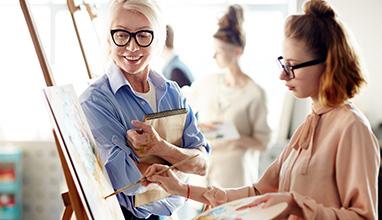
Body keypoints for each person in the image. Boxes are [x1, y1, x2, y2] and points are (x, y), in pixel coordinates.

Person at [143, 0, 380, 219]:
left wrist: (298, 206)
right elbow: (257, 192)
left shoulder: (352, 128)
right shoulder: (309, 125)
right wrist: (181, 188)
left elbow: (363, 216)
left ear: (327, 64)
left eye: (292, 66)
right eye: (282, 63)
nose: (282, 74)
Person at [79, 0, 210, 219]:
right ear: (108, 40)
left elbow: (202, 165)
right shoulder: (95, 101)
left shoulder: (172, 93)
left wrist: (160, 148)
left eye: (143, 35)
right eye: (121, 34)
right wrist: (180, 165)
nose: (132, 47)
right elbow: (126, 180)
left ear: (158, 39)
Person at [187, 4, 271, 188]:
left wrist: (235, 137)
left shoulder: (255, 94)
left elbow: (263, 143)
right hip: (203, 175)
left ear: (237, 51)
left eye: (219, 51)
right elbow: (185, 112)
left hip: (235, 179)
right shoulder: (207, 82)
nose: (213, 56)